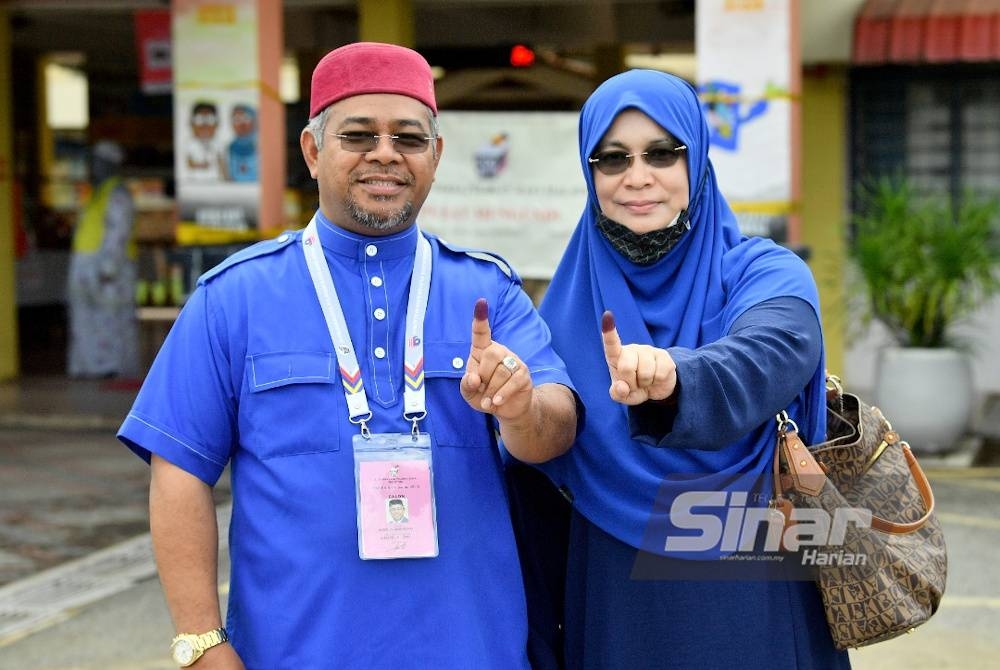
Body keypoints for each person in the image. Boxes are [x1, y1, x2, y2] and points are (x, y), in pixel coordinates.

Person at [117, 42, 578, 670]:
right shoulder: (233, 298)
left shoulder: (489, 292)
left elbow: (556, 430)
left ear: (435, 157)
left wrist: (521, 411)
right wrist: (200, 644)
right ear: (312, 151)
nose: (385, 154)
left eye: (409, 139)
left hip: (473, 650)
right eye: (359, 135)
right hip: (292, 652)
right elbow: (178, 468)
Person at [534, 69, 849, 669]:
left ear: (697, 160)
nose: (637, 176)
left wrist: (676, 378)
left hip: (751, 587)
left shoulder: (762, 270)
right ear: (588, 171)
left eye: (662, 153)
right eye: (612, 158)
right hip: (614, 598)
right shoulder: (568, 307)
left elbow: (774, 350)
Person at [66, 140, 140, 379]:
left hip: (108, 270)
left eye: (99, 162)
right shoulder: (96, 193)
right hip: (88, 268)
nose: (94, 167)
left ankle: (110, 369)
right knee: (86, 321)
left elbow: (117, 234)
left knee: (110, 321)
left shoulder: (117, 193)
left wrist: (108, 268)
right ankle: (88, 367)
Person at [185, 100, 225, 181]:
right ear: (192, 124)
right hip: (195, 181)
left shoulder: (218, 144)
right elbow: (189, 163)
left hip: (215, 181)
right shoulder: (190, 144)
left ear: (216, 124)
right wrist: (200, 166)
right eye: (199, 120)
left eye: (210, 120)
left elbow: (221, 162)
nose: (205, 125)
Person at [226, 104, 258, 182]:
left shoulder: (260, 144)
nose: (242, 124)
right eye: (237, 119)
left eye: (246, 118)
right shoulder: (230, 147)